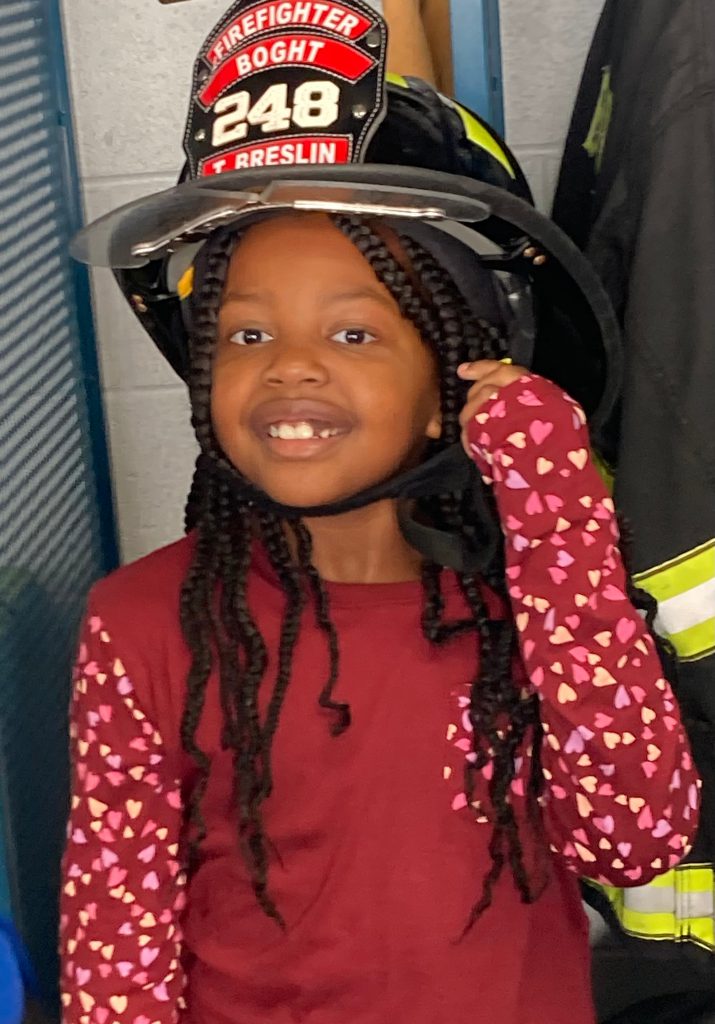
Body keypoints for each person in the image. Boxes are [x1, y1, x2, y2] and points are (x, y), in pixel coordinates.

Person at [59, 1, 701, 1022]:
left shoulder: (530, 599)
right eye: (244, 333)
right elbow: (116, 939)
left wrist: (558, 519)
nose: (292, 366)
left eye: (355, 334)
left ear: (464, 367)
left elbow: (636, 838)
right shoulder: (139, 623)